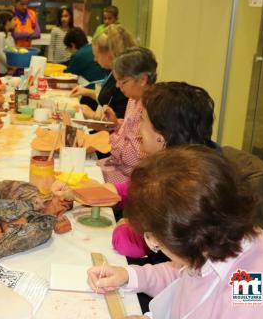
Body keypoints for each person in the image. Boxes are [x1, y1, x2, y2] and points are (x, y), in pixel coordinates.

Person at [87, 145, 263, 319]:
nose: (155, 245)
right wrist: (129, 275)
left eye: (154, 239)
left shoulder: (249, 291)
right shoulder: (218, 232)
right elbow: (187, 278)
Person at [111, 82, 216, 258]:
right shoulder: (198, 161)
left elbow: (130, 243)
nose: (138, 130)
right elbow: (130, 188)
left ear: (161, 136)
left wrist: (122, 226)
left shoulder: (178, 185)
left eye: (142, 120)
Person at [98, 47, 157, 183]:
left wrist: (111, 137)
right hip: (119, 167)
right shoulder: (133, 99)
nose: (118, 86)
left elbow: (133, 160)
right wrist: (116, 124)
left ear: (142, 79)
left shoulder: (149, 107)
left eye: (123, 82)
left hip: (131, 178)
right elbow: (129, 132)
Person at [70, 24, 137, 119]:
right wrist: (87, 92)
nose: (95, 60)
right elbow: (108, 97)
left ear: (110, 54)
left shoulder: (125, 82)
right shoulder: (113, 72)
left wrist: (92, 115)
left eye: (97, 56)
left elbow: (120, 122)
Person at [0, 11, 16, 76]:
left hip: (8, 69)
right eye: (13, 20)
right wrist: (11, 65)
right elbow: (0, 53)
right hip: (1, 71)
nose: (15, 22)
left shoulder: (9, 35)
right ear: (7, 22)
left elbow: (13, 50)